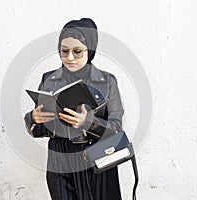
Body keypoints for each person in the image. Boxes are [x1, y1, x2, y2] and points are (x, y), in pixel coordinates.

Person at [24, 18, 124, 200]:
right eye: (64, 51)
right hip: (59, 158)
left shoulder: (107, 81)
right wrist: (34, 119)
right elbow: (38, 130)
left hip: (96, 156)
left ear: (90, 50)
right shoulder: (49, 79)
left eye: (77, 52)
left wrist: (88, 123)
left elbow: (116, 129)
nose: (70, 57)